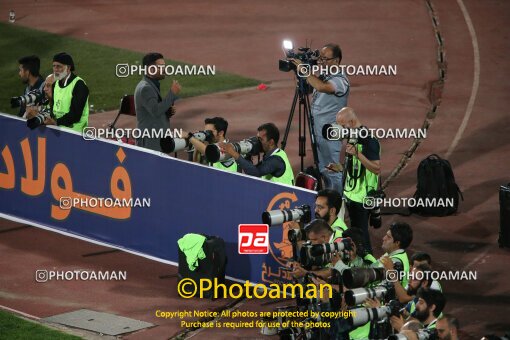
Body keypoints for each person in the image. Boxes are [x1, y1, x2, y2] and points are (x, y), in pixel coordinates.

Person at [292, 43, 349, 191]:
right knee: (323, 168)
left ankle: (337, 205)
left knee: (331, 169)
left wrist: (304, 70)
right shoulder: (325, 76)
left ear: (336, 60)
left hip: (329, 132)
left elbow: (323, 87)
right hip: (317, 130)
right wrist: (300, 74)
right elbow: (311, 87)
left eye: (325, 59)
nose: (321, 62)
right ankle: (328, 200)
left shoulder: (340, 80)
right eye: (320, 58)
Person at [327, 107, 381, 253]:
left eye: (343, 126)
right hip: (351, 195)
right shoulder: (352, 138)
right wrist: (339, 167)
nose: (341, 130)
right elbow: (354, 167)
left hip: (362, 199)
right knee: (355, 232)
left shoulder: (369, 141)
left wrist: (358, 154)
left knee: (361, 237)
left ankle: (369, 268)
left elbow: (376, 168)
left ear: (351, 122)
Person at [221, 123, 294, 185]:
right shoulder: (269, 156)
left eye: (261, 139)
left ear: (271, 142)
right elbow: (252, 173)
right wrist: (247, 155)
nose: (258, 142)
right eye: (257, 138)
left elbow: (256, 172)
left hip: (284, 199)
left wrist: (234, 153)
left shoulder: (276, 160)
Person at [135, 52, 181, 151]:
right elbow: (155, 111)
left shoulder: (151, 84)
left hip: (155, 139)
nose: (164, 69)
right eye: (161, 67)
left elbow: (152, 110)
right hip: (150, 142)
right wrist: (172, 93)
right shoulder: (145, 88)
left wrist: (166, 112)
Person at [44, 52, 89, 132]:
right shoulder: (56, 83)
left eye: (59, 66)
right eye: (54, 66)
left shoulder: (79, 85)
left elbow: (75, 115)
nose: (55, 70)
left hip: (75, 133)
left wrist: (56, 122)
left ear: (68, 68)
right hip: (58, 130)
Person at [378, 222, 412, 288]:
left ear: (397, 243)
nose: (383, 238)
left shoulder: (395, 261)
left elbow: (383, 290)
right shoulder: (394, 254)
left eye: (388, 237)